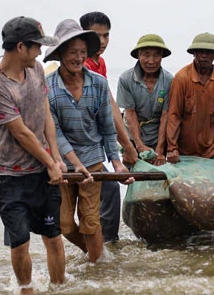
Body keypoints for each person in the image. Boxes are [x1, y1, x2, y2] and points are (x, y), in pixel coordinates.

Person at [0, 16, 67, 294]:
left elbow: (45, 116)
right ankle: (26, 289)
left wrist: (56, 157)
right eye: (37, 46)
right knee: (20, 243)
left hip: (43, 172)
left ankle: (59, 288)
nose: (41, 51)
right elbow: (22, 133)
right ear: (20, 47)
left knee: (53, 236)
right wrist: (50, 162)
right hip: (10, 177)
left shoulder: (37, 70)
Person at [44, 19, 134, 262]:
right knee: (63, 223)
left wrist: (116, 163)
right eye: (73, 52)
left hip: (93, 162)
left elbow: (107, 126)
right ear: (61, 53)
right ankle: (98, 255)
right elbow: (54, 132)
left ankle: (97, 269)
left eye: (83, 52)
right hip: (63, 164)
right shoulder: (48, 87)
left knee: (90, 222)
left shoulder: (99, 83)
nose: (78, 57)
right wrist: (71, 160)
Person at [80, 11, 138, 243]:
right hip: (79, 140)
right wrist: (126, 144)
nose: (102, 42)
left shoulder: (99, 63)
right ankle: (104, 245)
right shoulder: (81, 63)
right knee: (108, 190)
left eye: (106, 36)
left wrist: (125, 143)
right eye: (97, 36)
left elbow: (109, 102)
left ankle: (100, 245)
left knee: (103, 192)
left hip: (94, 139)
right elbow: (107, 107)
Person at [166, 32, 214, 165]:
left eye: (209, 52)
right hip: (185, 151)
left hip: (213, 149)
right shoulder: (182, 78)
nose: (204, 56)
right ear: (194, 54)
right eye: (200, 52)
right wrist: (172, 147)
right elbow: (174, 115)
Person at [116, 34, 173, 166]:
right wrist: (139, 146)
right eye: (146, 55)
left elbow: (166, 115)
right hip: (133, 138)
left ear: (162, 57)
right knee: (133, 176)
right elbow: (130, 113)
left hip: (159, 137)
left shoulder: (169, 80)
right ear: (138, 56)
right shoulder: (126, 79)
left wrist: (160, 149)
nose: (151, 61)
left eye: (156, 55)